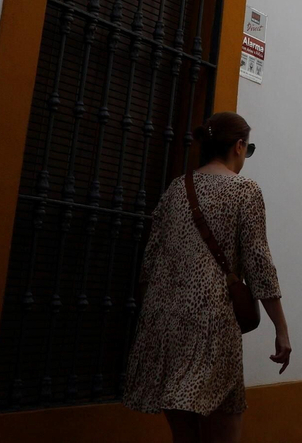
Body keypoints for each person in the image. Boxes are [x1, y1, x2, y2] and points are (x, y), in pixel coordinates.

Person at [123, 112, 292, 443]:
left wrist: (154, 317)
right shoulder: (244, 190)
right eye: (248, 149)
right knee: (224, 424)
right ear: (239, 147)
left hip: (166, 323)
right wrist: (281, 329)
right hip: (212, 326)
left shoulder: (177, 188)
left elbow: (150, 260)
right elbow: (259, 263)